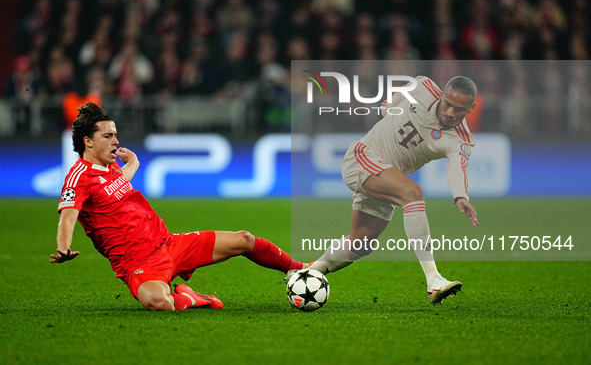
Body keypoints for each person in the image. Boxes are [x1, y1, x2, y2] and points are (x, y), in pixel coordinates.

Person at [50, 103, 304, 311]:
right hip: (138, 263)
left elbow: (117, 183)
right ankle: (193, 297)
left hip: (169, 243)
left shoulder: (111, 169)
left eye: (116, 134)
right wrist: (64, 247)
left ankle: (299, 268)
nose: (116, 141)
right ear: (88, 142)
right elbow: (68, 217)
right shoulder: (79, 177)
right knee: (159, 301)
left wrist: (134, 161)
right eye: (108, 136)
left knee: (244, 239)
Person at [308, 75, 480, 305]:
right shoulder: (423, 86)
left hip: (388, 176)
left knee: (361, 244)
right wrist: (388, 107)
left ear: (471, 108)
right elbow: (390, 101)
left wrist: (461, 196)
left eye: (459, 109)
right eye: (447, 103)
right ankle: (433, 279)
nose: (449, 112)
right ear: (442, 94)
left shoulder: (461, 140)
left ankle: (304, 271)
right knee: (413, 193)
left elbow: (457, 169)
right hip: (364, 157)